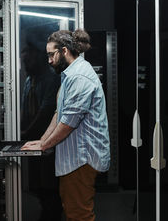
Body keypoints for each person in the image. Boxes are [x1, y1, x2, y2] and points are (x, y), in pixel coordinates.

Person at [22, 29, 110, 221]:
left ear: (64, 51)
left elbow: (68, 123)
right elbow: (59, 114)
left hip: (82, 158)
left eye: (51, 55)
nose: (49, 60)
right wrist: (42, 141)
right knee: (72, 211)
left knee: (79, 215)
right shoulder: (69, 75)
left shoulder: (80, 77)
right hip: (74, 159)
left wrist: (44, 145)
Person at [20, 42, 62, 221]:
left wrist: (25, 133)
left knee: (50, 188)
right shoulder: (30, 80)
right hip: (33, 142)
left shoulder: (51, 78)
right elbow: (24, 110)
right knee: (39, 188)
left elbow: (46, 111)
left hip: (49, 142)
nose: (25, 59)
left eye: (28, 55)